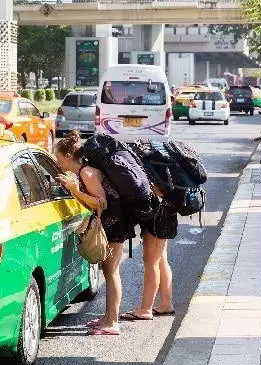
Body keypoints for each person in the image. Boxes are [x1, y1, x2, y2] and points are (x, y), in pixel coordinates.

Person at [54, 131, 136, 336]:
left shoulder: (86, 173)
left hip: (116, 224)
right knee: (108, 273)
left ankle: (113, 323)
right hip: (113, 222)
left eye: (57, 157)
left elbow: (101, 202)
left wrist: (74, 189)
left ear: (66, 156)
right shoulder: (83, 172)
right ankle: (107, 318)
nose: (56, 161)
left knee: (111, 272)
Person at [121, 186, 178, 321]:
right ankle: (165, 304)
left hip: (157, 209)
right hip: (168, 205)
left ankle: (146, 309)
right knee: (161, 259)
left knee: (151, 261)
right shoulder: (167, 164)